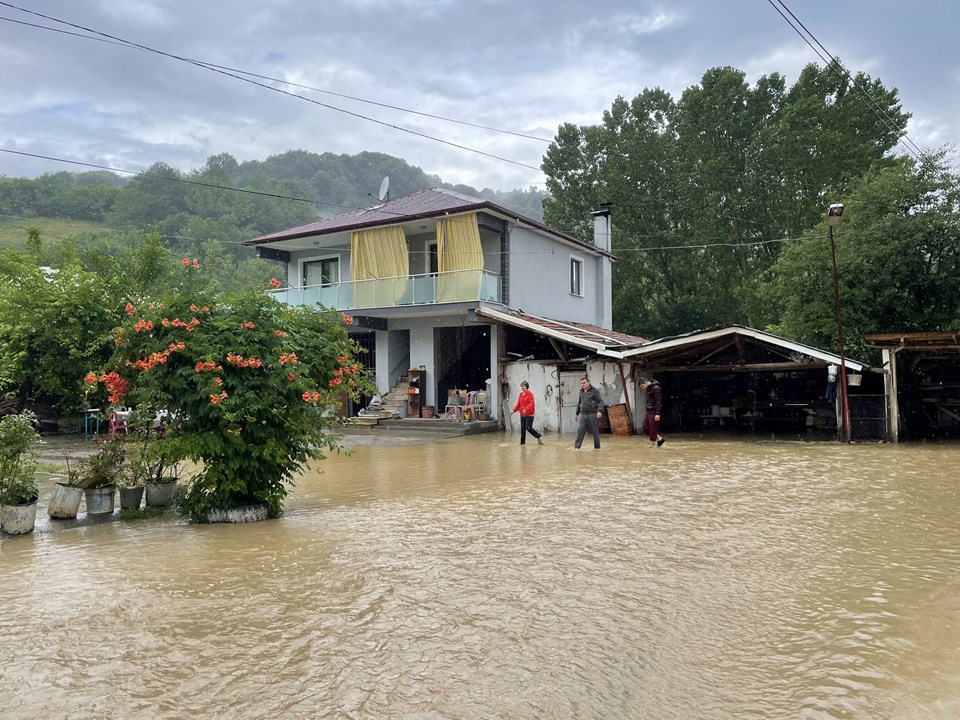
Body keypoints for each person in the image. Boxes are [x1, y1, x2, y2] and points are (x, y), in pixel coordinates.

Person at [574, 376, 604, 449]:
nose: (582, 384)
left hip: (592, 414)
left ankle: (597, 449)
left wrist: (599, 411)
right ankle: (576, 448)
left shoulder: (594, 391)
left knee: (595, 433)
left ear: (589, 382)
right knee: (579, 431)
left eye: (584, 383)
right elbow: (579, 402)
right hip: (582, 414)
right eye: (581, 383)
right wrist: (577, 414)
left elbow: (600, 401)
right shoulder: (581, 391)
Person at [511, 381, 543, 445]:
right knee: (522, 429)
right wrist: (513, 410)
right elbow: (518, 404)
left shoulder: (530, 394)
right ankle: (522, 443)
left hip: (529, 415)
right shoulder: (520, 395)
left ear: (527, 387)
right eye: (521, 386)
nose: (522, 387)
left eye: (524, 386)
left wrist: (526, 409)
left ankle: (538, 435)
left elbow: (531, 404)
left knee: (528, 427)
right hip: (522, 415)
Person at [639, 377, 665, 447]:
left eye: (643, 386)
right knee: (645, 427)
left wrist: (657, 413)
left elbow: (658, 402)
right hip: (649, 410)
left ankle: (652, 445)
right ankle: (660, 439)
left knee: (653, 428)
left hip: (654, 411)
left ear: (646, 382)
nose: (642, 388)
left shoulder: (656, 388)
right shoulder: (648, 388)